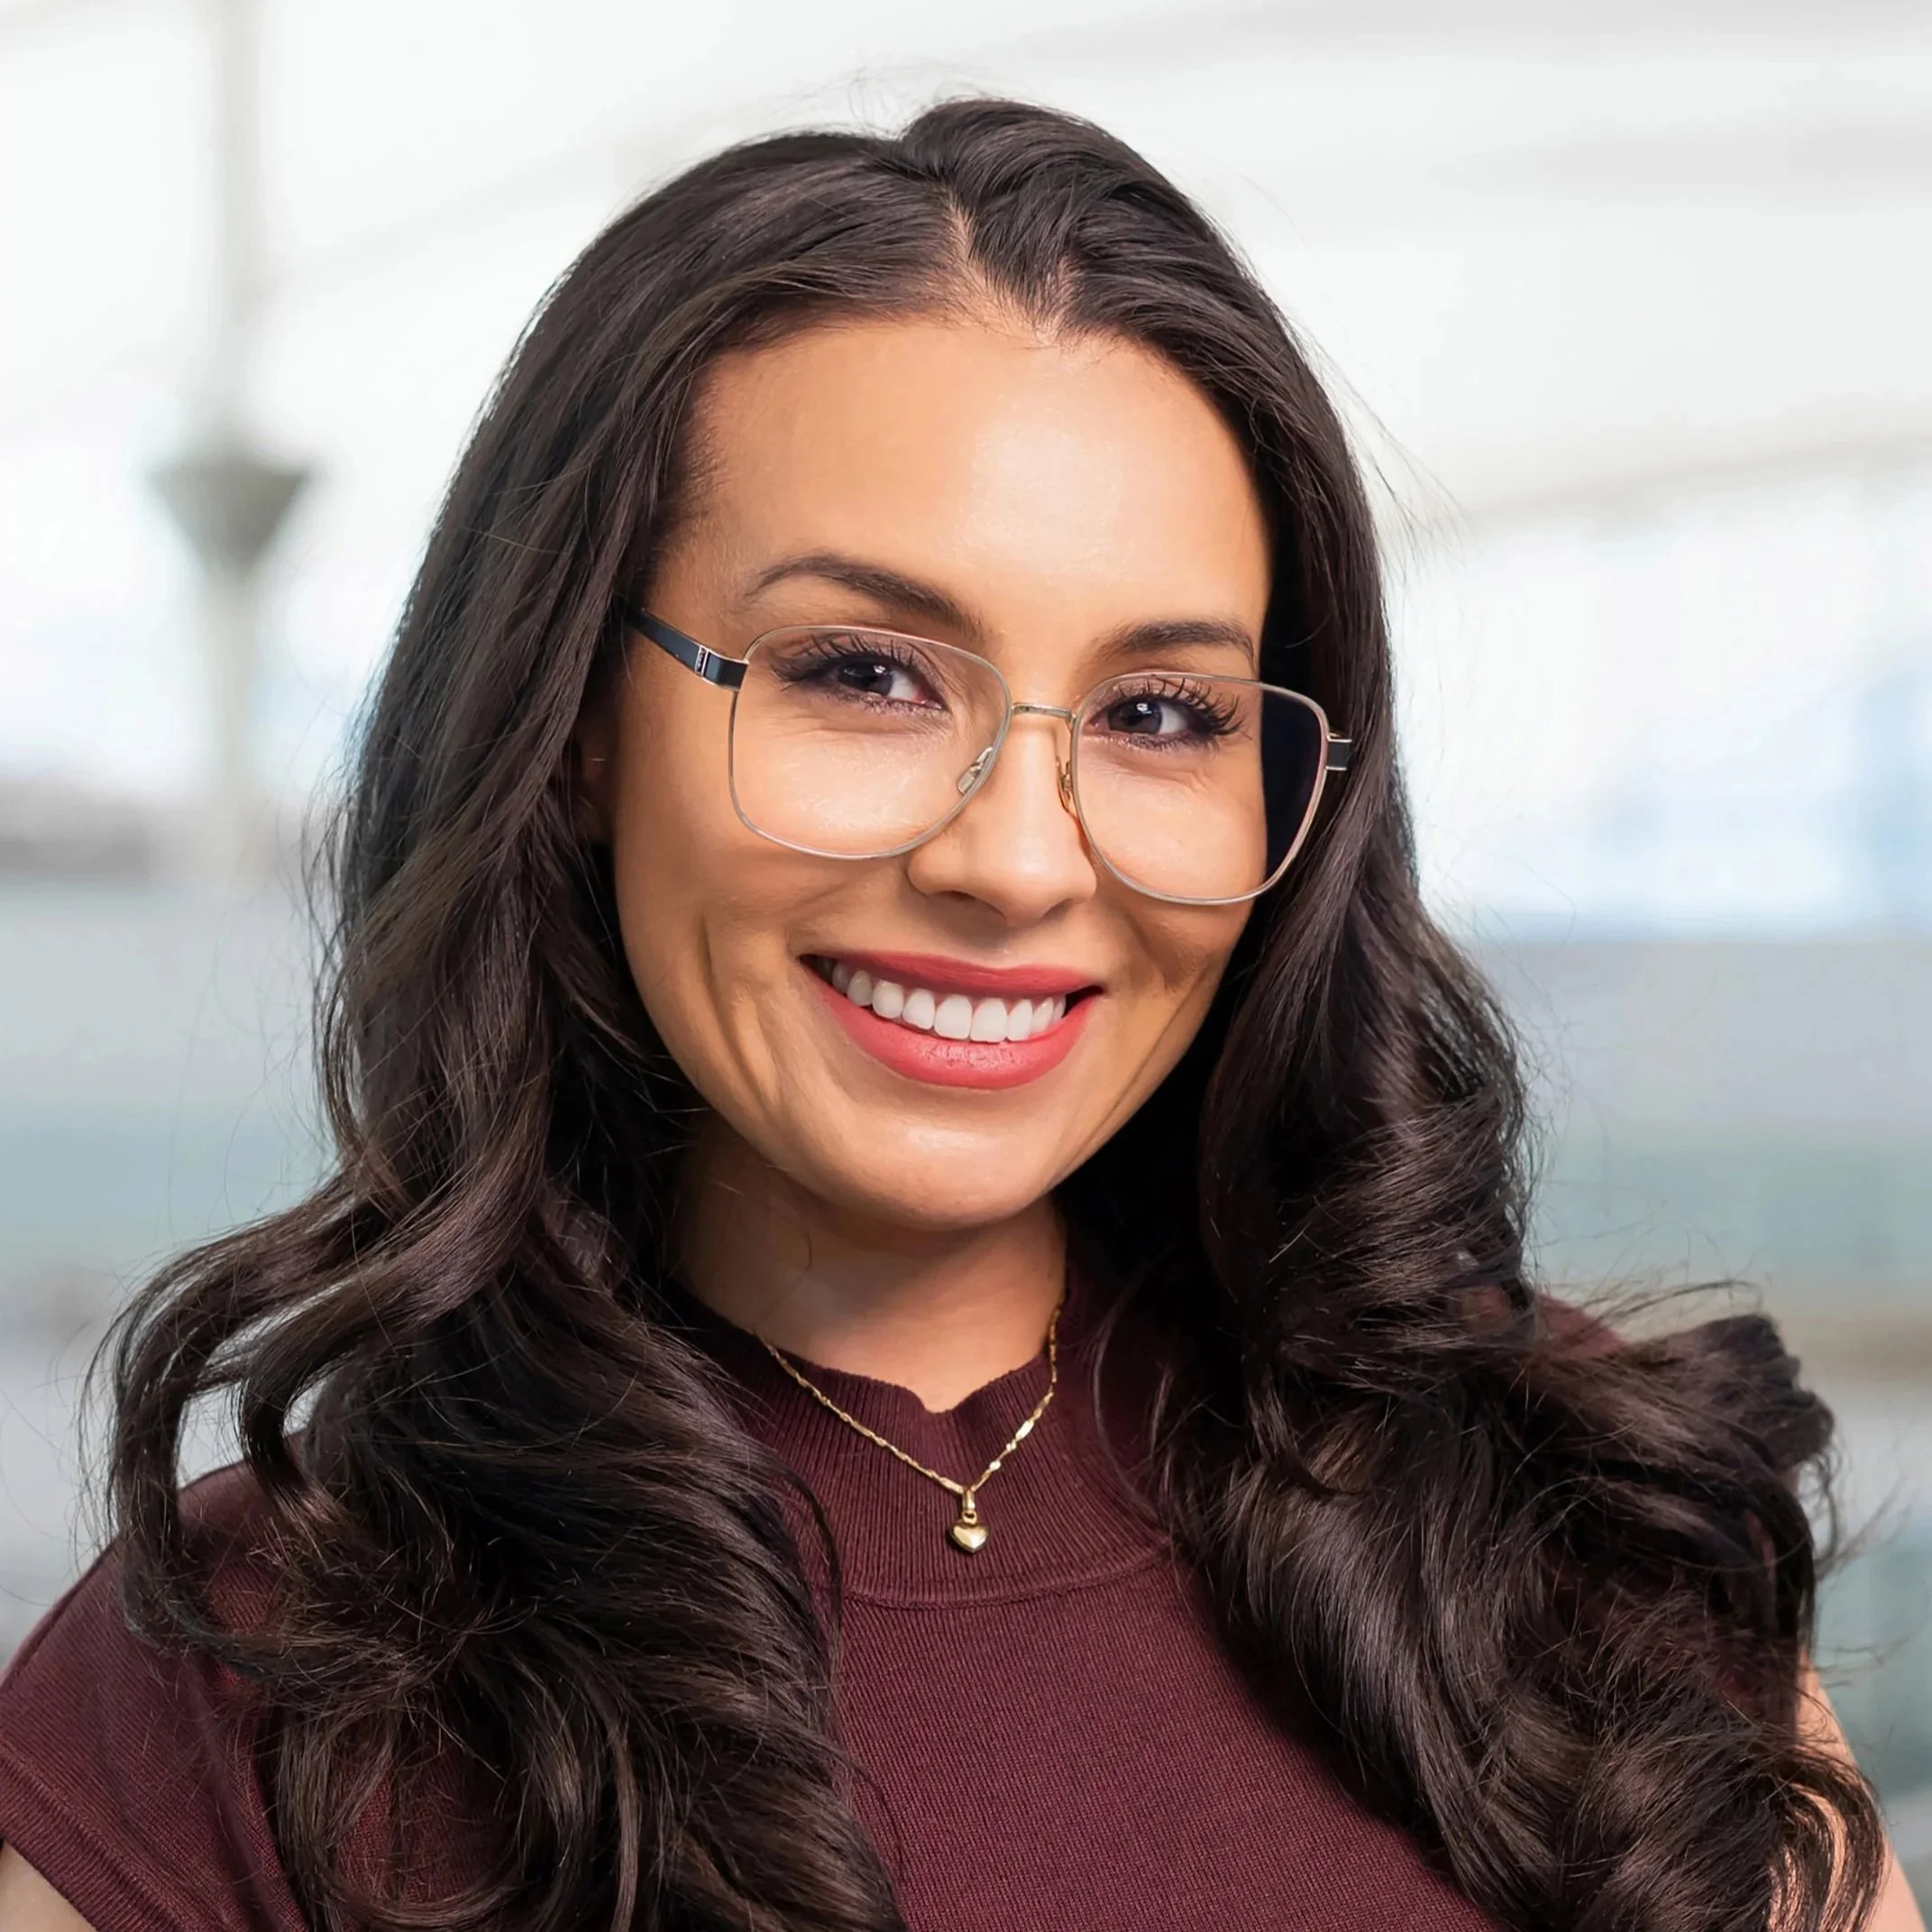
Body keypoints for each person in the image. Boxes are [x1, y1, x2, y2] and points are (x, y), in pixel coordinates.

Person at [0, 98, 1918, 1932]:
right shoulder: (260, 1681)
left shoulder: (1576, 1531)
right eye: (864, 676)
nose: (1017, 861)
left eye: (1162, 713)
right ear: (577, 725)